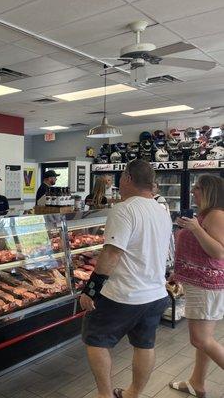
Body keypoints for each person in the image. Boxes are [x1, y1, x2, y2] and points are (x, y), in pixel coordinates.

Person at [80, 159, 172, 398]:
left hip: (124, 294)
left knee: (96, 339)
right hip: (155, 293)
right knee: (144, 345)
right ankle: (133, 394)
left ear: (129, 179)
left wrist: (91, 289)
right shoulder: (161, 210)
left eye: (121, 178)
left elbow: (112, 253)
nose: (119, 183)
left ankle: (105, 395)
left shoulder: (124, 209)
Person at [169, 175, 224, 398]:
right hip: (201, 284)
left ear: (209, 191)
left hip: (206, 286)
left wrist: (196, 229)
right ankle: (197, 383)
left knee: (200, 339)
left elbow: (219, 252)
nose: (193, 191)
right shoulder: (205, 215)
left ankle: (197, 382)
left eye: (197, 188)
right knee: (205, 339)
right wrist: (179, 271)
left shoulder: (216, 215)